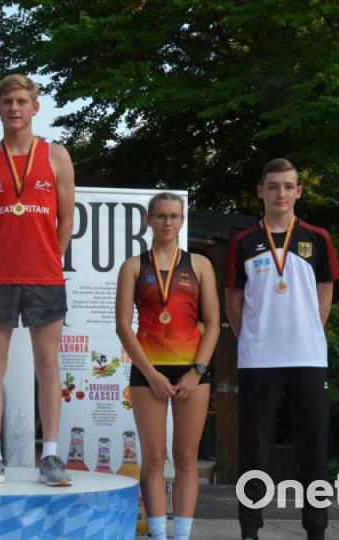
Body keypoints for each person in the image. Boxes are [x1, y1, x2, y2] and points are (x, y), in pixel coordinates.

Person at [0, 74, 75, 486]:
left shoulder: (56, 156)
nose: (14, 108)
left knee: (48, 366)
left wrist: (48, 254)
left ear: (35, 107)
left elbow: (66, 218)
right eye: (7, 101)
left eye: (21, 101)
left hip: (45, 275)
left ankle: (49, 456)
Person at [225, 158, 339, 540]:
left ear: (299, 192)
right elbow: (234, 299)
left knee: (313, 447)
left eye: (288, 186)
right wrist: (252, 338)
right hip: (258, 360)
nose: (281, 193)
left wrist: (310, 329)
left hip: (308, 357)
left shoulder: (317, 237)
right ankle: (250, 531)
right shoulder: (243, 242)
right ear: (261, 191)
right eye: (273, 186)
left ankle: (316, 531)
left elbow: (325, 291)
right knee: (253, 449)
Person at [115, 192, 220, 540]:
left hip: (193, 371)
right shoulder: (133, 266)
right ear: (149, 220)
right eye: (160, 216)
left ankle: (182, 536)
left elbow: (213, 324)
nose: (167, 222)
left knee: (187, 459)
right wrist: (149, 373)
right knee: (155, 458)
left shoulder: (200, 264)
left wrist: (197, 371)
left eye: (174, 216)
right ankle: (159, 535)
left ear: (182, 221)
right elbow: (122, 326)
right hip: (149, 372)